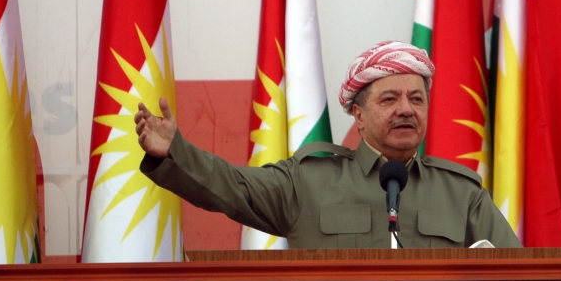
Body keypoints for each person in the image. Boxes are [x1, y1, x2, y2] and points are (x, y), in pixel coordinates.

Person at [136, 40, 521, 249]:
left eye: (416, 99)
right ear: (358, 115)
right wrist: (175, 151)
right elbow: (231, 188)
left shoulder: (461, 192)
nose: (406, 110)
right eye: (389, 99)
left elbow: (521, 277)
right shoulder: (308, 182)